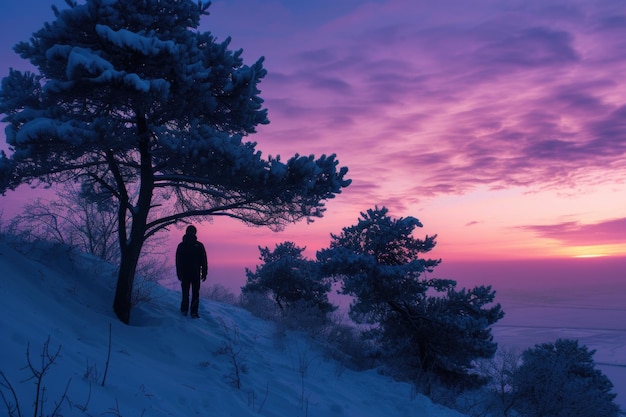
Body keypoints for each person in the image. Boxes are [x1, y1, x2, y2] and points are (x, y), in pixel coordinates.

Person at [175, 225, 207, 318]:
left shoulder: (181, 245)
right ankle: (193, 312)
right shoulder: (199, 245)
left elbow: (178, 261)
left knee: (186, 292)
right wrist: (204, 273)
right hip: (195, 273)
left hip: (185, 273)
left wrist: (179, 273)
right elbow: (203, 260)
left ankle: (184, 310)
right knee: (195, 293)